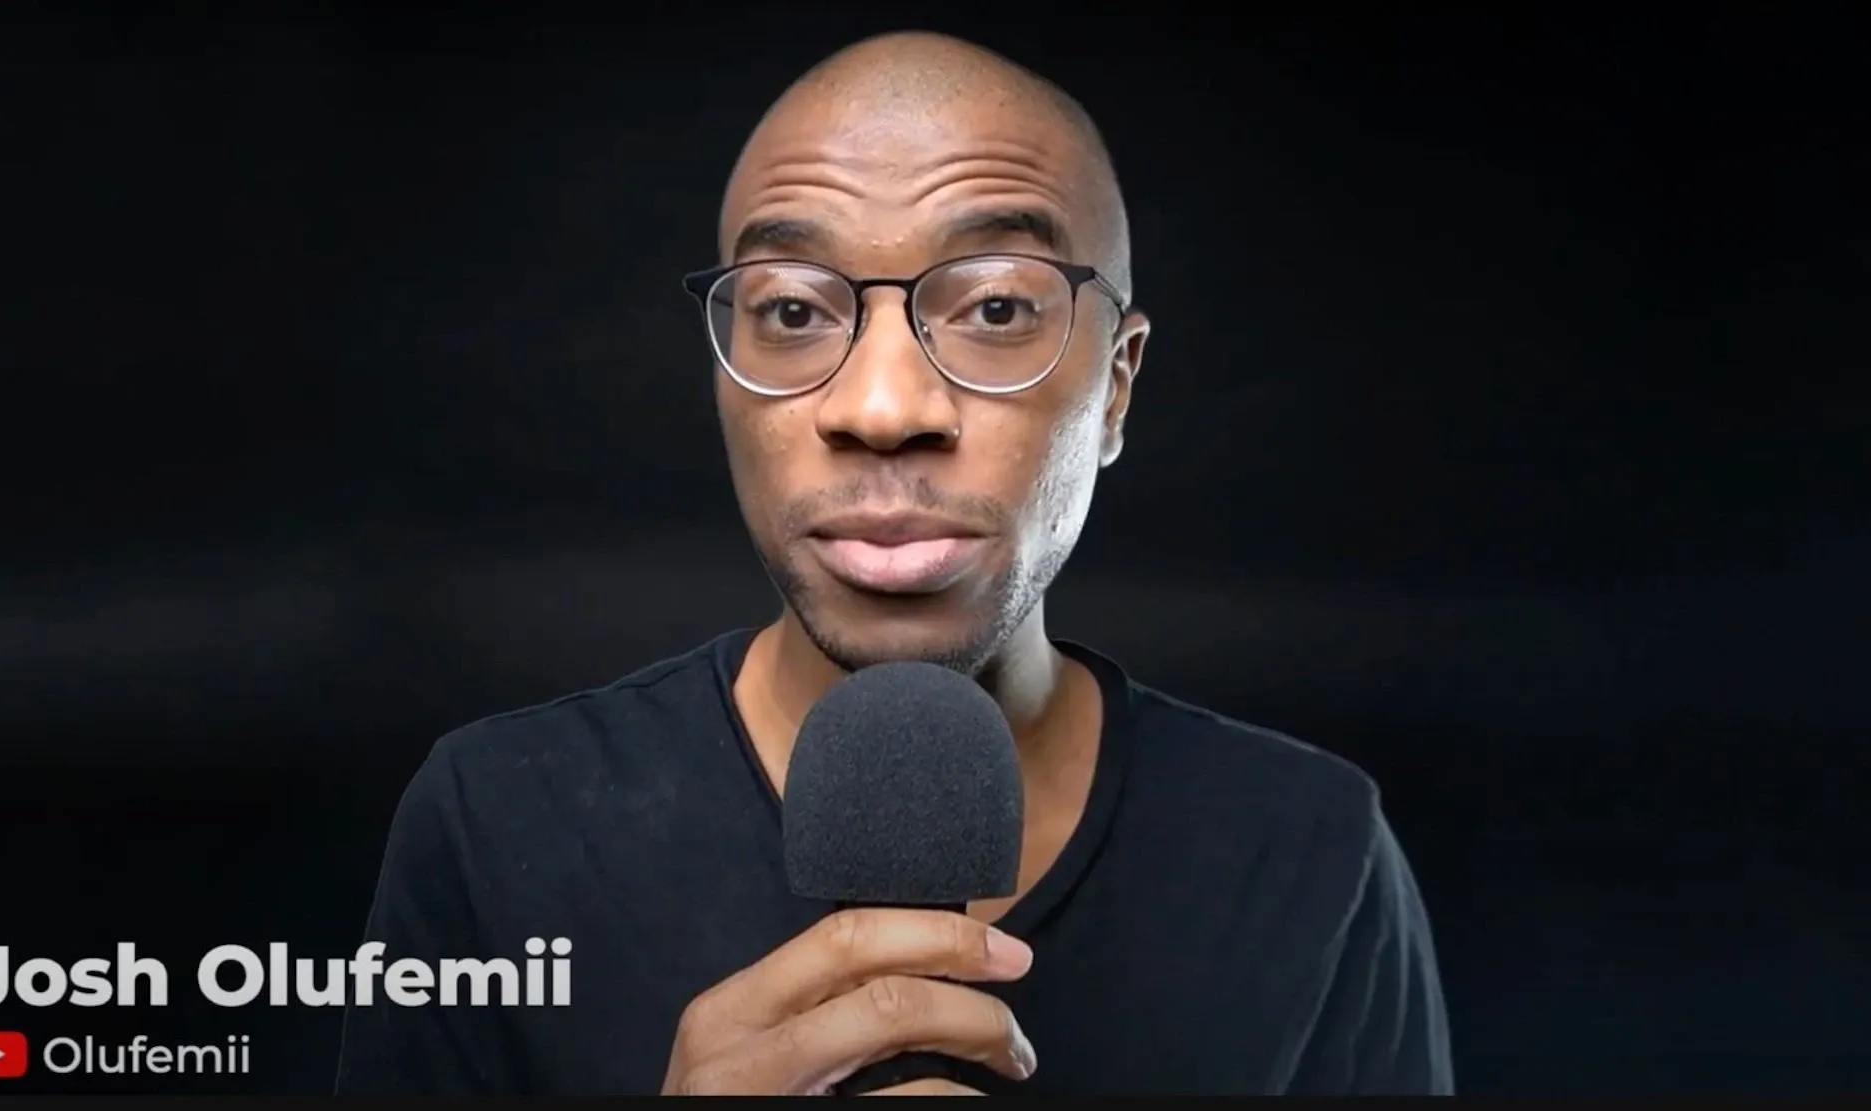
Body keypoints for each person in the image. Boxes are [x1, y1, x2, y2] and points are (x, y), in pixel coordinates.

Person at [335, 30, 1453, 1096]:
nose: (881, 408)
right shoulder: (496, 822)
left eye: (996, 306)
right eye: (792, 309)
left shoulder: (1313, 851)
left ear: (1116, 384)